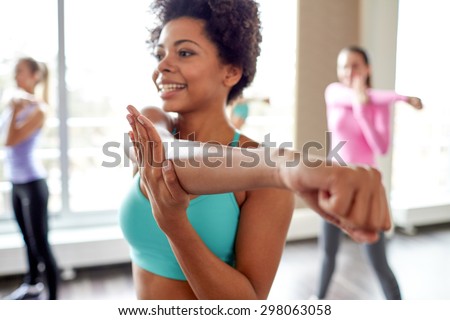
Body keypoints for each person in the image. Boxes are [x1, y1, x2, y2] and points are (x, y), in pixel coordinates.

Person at [119, 0, 392, 300]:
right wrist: (282, 167)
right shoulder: (152, 123)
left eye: (184, 52)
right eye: (160, 54)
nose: (162, 66)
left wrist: (177, 229)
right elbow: (163, 153)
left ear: (231, 72)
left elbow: (247, 305)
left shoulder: (267, 186)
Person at [312, 45, 423, 300]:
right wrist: (403, 97)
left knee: (379, 263)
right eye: (343, 66)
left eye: (355, 66)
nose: (348, 72)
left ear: (367, 68)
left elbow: (381, 148)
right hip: (333, 183)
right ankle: (316, 305)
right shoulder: (334, 92)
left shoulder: (377, 106)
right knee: (327, 254)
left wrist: (363, 111)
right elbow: (365, 96)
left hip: (366, 189)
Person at [1, 57, 59, 300]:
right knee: (27, 239)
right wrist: (13, 106)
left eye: (20, 72)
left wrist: (14, 110)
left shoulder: (38, 109)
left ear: (35, 76)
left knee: (41, 244)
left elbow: (10, 140)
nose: (16, 77)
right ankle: (32, 284)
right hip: (16, 182)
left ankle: (53, 298)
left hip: (34, 184)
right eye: (15, 72)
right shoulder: (14, 103)